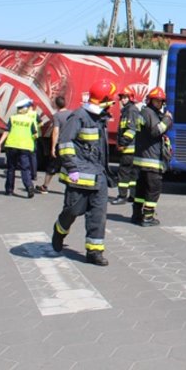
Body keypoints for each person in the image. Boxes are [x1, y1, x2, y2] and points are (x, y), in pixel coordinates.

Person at [50, 79, 116, 266]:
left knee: (98, 216)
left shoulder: (100, 118)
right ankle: (59, 230)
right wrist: (71, 167)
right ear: (103, 99)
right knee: (72, 211)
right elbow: (65, 142)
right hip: (80, 177)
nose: (112, 103)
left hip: (99, 178)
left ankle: (94, 252)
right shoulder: (79, 116)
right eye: (110, 99)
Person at [132, 87, 174, 226]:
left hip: (142, 159)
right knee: (153, 190)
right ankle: (148, 217)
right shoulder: (149, 113)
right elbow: (156, 131)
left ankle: (137, 214)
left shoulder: (145, 112)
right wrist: (167, 119)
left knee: (141, 189)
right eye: (157, 101)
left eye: (161, 101)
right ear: (151, 100)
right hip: (151, 160)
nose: (159, 103)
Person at [0, 98, 39, 198]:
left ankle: (9, 190)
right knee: (25, 169)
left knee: (11, 168)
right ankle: (29, 186)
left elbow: (6, 131)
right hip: (25, 147)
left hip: (11, 146)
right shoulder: (30, 120)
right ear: (25, 109)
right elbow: (35, 135)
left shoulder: (12, 118)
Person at [111, 86, 140, 205]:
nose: (123, 100)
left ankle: (122, 196)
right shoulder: (129, 110)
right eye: (122, 97)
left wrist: (122, 143)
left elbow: (131, 130)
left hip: (129, 149)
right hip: (132, 149)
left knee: (123, 173)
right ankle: (132, 196)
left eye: (125, 97)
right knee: (133, 174)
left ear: (131, 98)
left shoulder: (130, 110)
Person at [36, 96, 71, 193]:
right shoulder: (72, 114)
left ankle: (45, 187)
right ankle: (72, 188)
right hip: (72, 144)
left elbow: (56, 131)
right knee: (71, 166)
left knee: (52, 165)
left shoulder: (57, 116)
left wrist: (53, 147)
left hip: (61, 144)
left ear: (56, 105)